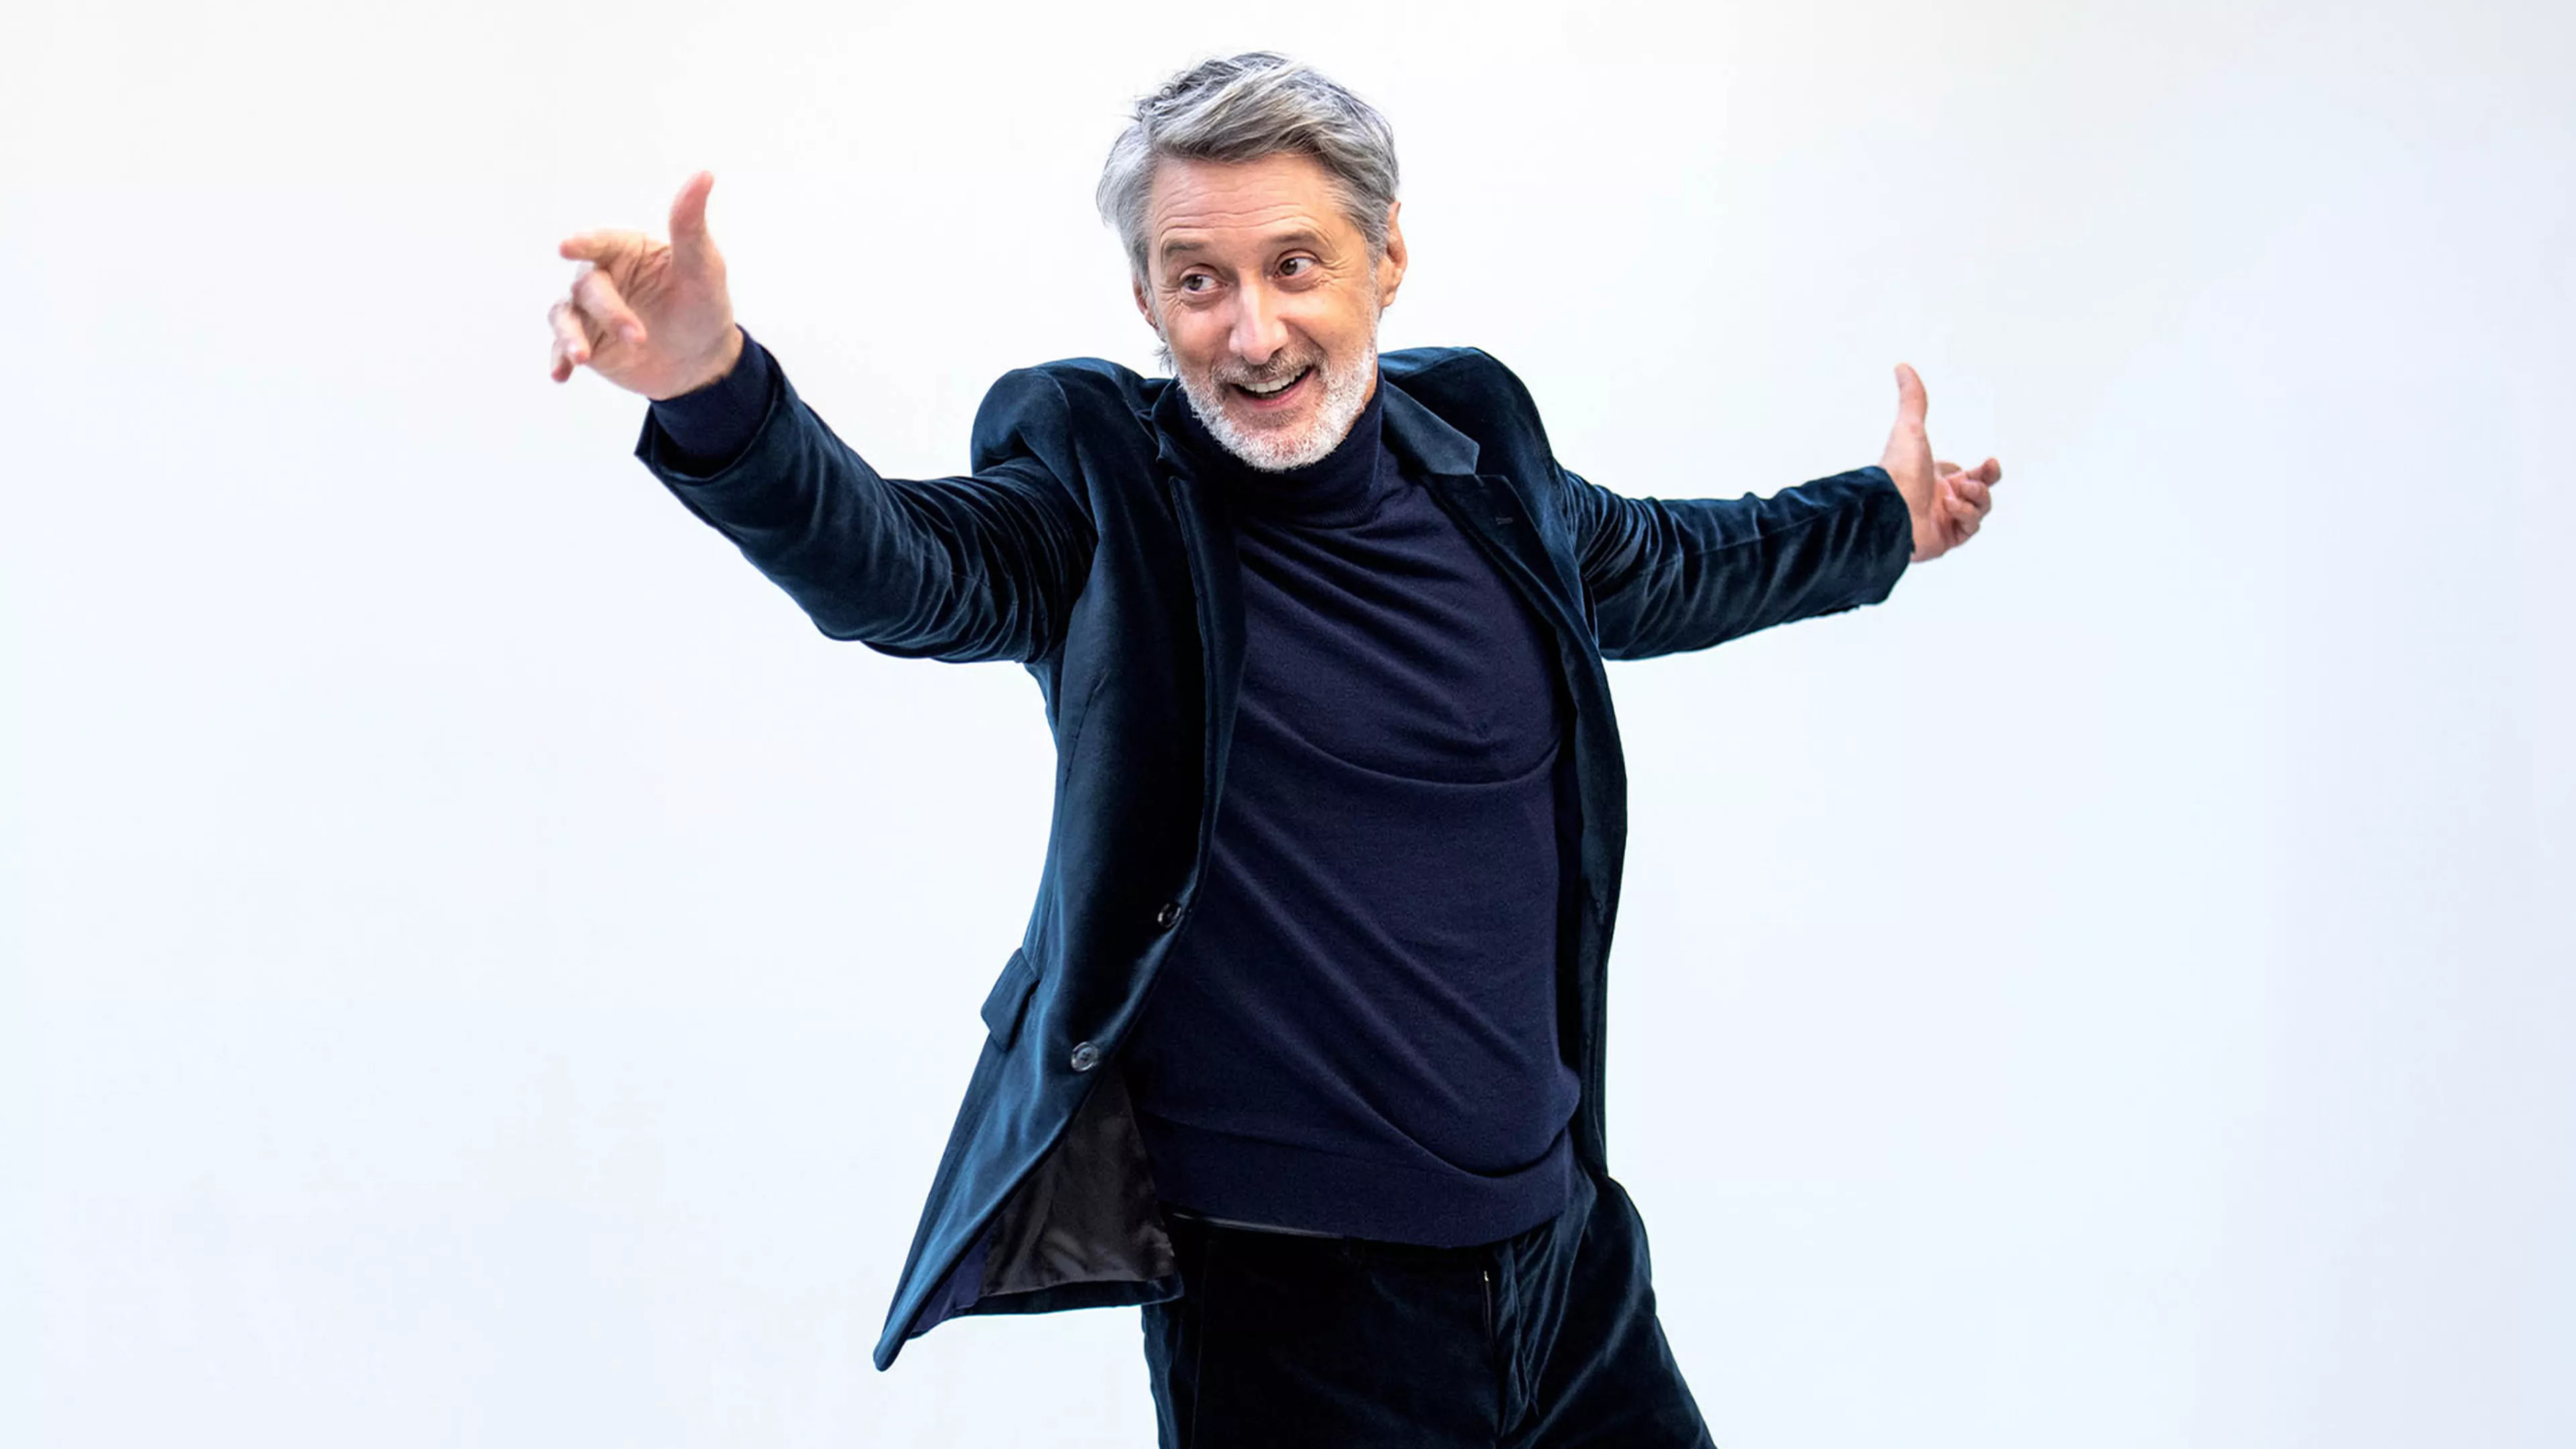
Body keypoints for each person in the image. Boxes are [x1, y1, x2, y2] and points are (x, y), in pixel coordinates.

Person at [545, 51, 1998, 1449]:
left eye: (1295, 266)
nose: (1252, 333)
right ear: (1147, 298)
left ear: (1386, 259)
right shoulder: (1099, 500)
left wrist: (1888, 518)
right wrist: (715, 390)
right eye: (1200, 281)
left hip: (1569, 1271)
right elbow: (895, 566)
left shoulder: (1479, 449)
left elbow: (1674, 563)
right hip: (1294, 1321)